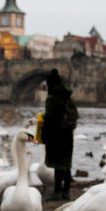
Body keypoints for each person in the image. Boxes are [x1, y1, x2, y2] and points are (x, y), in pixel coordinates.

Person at [41, 68, 79, 201]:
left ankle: (57, 190)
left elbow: (50, 118)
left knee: (57, 164)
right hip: (68, 134)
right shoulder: (68, 97)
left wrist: (43, 131)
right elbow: (75, 115)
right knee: (66, 164)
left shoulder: (52, 99)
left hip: (55, 135)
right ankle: (66, 191)